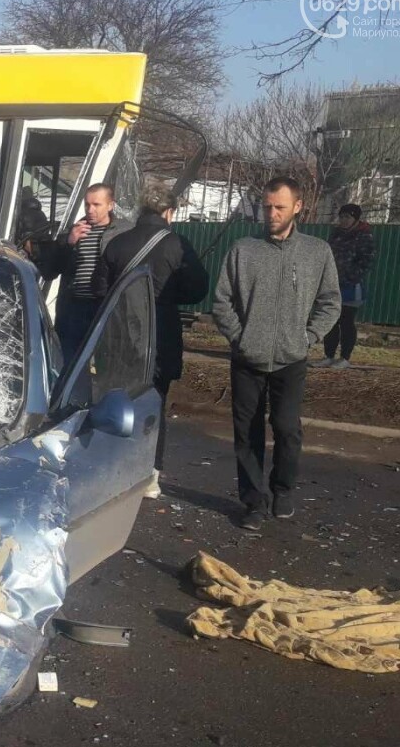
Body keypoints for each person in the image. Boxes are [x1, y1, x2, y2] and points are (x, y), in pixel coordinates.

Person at [212, 176, 340, 531]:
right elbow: (221, 302)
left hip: (291, 358)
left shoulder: (316, 252)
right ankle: (253, 502)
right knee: (246, 433)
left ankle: (283, 490)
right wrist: (240, 338)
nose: (271, 213)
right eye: (267, 206)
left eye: (279, 207)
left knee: (286, 428)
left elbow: (331, 302)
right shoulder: (243, 249)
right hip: (247, 358)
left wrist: (308, 337)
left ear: (297, 207)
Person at [90, 185, 208, 498]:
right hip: (161, 331)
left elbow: (98, 289)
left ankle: (110, 468)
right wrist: (167, 296)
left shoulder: (117, 243)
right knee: (154, 401)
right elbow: (198, 289)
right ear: (168, 212)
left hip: (118, 335)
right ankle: (149, 476)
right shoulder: (176, 244)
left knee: (116, 398)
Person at [35, 183, 131, 359]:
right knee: (70, 359)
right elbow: (51, 271)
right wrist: (69, 243)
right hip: (74, 309)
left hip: (105, 308)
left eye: (97, 205)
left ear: (110, 205)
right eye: (87, 204)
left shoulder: (124, 233)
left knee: (103, 359)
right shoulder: (74, 231)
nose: (90, 210)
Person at [319, 203, 375, 369]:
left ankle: (344, 357)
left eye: (347, 217)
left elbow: (367, 261)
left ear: (356, 219)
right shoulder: (336, 235)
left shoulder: (364, 236)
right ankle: (329, 355)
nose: (343, 220)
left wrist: (350, 276)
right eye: (341, 217)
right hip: (332, 283)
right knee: (331, 320)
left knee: (346, 320)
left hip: (351, 286)